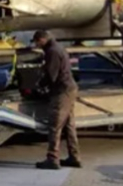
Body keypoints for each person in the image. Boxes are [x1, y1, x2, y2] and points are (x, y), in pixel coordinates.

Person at [31, 30, 82, 169]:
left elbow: (51, 75)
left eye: (36, 42)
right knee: (69, 126)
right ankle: (74, 157)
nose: (36, 45)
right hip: (69, 89)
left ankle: (53, 159)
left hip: (61, 91)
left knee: (55, 126)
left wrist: (38, 86)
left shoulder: (52, 51)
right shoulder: (58, 47)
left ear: (42, 39)